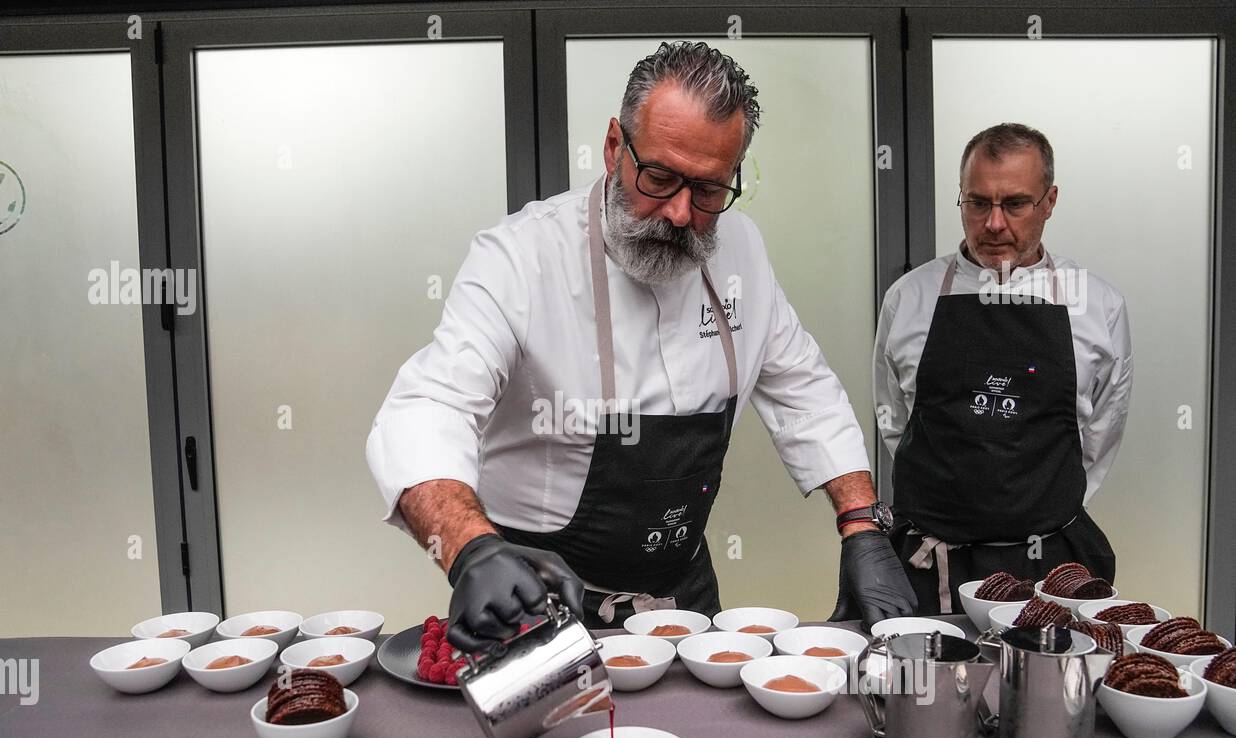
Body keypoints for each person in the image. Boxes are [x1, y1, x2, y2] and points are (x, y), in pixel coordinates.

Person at [368, 41, 915, 653]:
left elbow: (803, 388)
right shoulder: (521, 258)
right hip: (532, 595)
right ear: (612, 147)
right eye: (660, 177)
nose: (681, 214)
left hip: (683, 601)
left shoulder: (740, 250)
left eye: (709, 190)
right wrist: (470, 549)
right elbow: (429, 408)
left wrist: (862, 526)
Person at [874, 123, 1133, 614]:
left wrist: (1033, 509)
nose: (993, 223)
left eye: (1014, 204)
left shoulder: (1097, 305)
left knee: (1044, 689)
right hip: (933, 562)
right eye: (977, 203)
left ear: (1049, 201)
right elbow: (894, 419)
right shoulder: (910, 297)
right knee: (925, 689)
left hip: (1047, 564)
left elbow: (1100, 434)